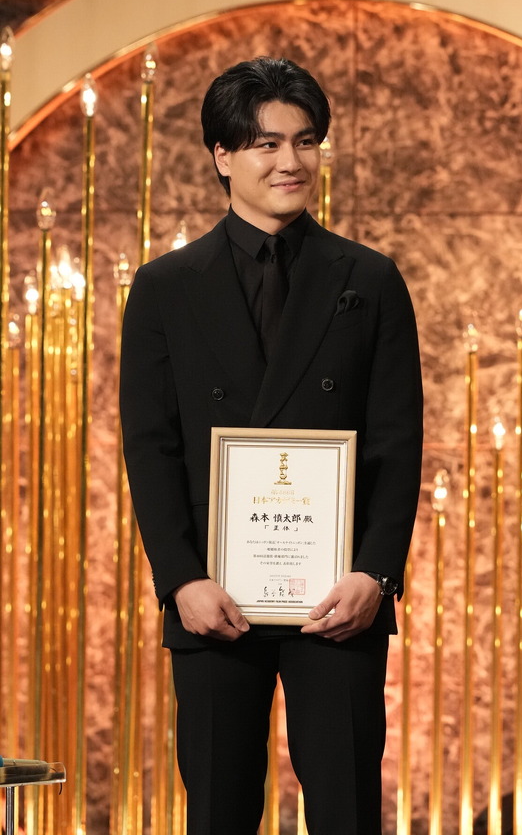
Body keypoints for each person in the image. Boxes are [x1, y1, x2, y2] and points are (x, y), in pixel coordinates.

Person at [119, 56, 423, 835]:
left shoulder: (373, 281)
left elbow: (397, 444)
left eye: (306, 141)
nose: (292, 161)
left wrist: (375, 576)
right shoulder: (164, 287)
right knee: (219, 810)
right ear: (223, 156)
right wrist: (181, 579)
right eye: (266, 144)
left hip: (338, 600)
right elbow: (150, 447)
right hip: (213, 598)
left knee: (346, 809)